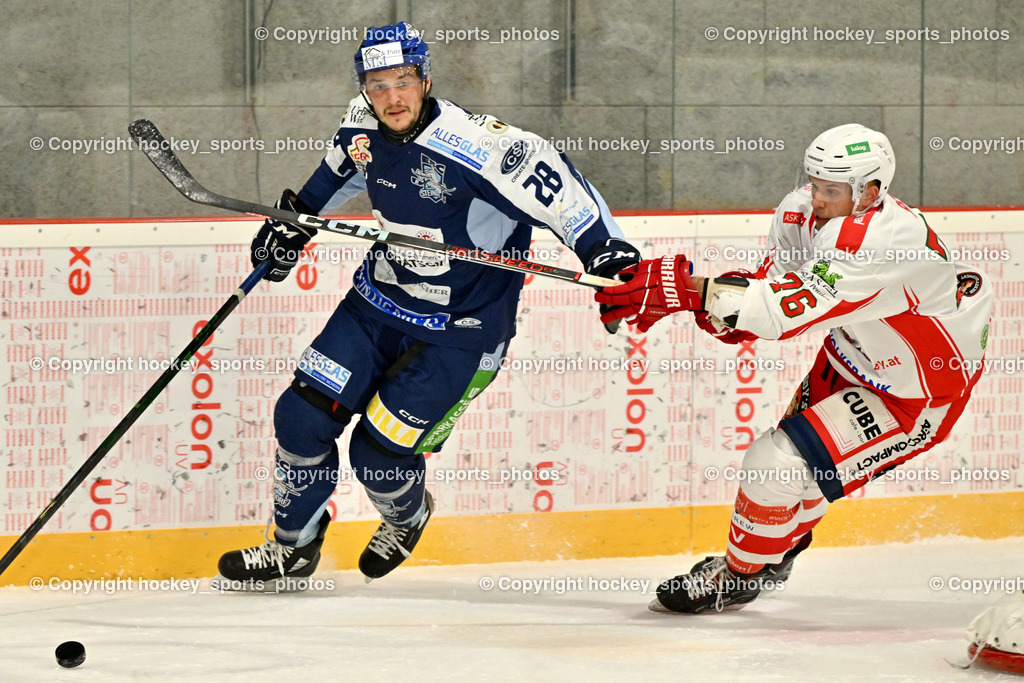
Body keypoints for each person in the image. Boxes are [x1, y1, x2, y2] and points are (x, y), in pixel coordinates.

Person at [216, 22, 640, 588]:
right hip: (377, 305)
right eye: (377, 85)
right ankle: (292, 547)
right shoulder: (361, 123)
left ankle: (406, 516)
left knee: (377, 456)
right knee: (300, 417)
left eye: (403, 81)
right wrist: (293, 224)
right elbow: (332, 179)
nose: (391, 97)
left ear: (426, 79)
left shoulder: (480, 147)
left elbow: (560, 186)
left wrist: (604, 252)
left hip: (460, 333)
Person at [597, 123, 994, 613]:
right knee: (800, 475)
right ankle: (776, 555)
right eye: (814, 182)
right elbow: (776, 286)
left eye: (832, 190)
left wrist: (688, 291)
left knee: (775, 461)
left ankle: (740, 575)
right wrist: (718, 310)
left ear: (871, 192)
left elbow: (784, 311)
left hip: (917, 392)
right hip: (852, 353)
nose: (817, 198)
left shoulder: (886, 241)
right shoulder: (800, 210)